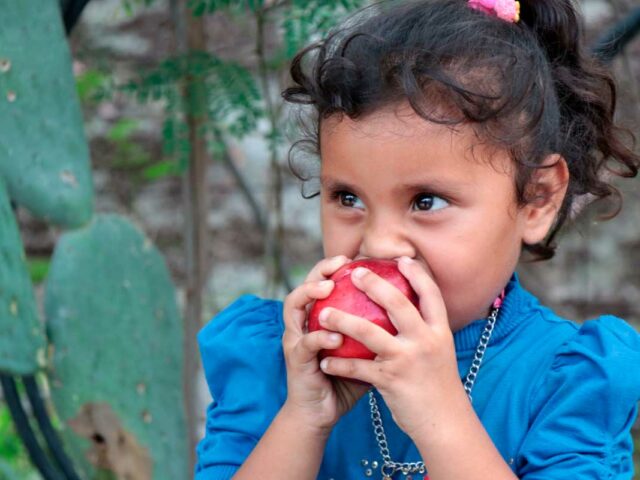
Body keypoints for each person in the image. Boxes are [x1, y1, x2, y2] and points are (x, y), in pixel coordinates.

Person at [194, 0, 640, 478]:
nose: (379, 244)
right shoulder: (275, 363)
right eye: (348, 198)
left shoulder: (565, 381)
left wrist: (439, 417)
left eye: (426, 201)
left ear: (537, 199)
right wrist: (304, 419)